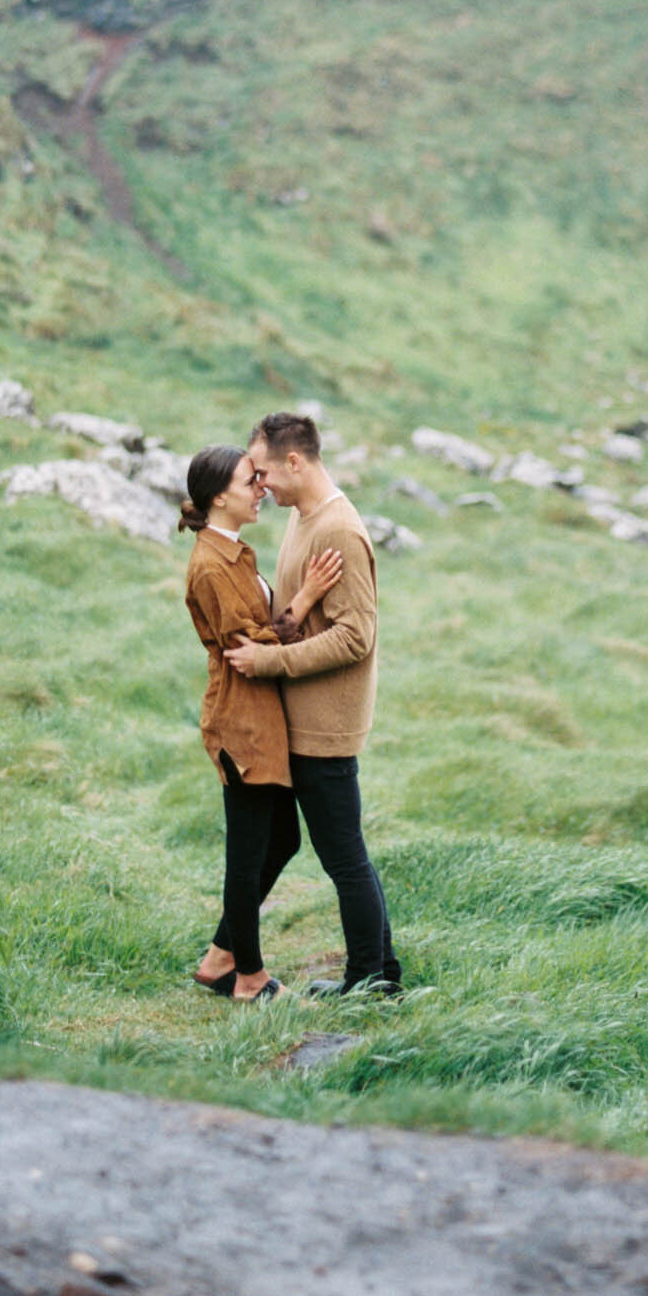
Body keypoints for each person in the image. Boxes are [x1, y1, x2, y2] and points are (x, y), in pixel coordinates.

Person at [225, 411, 401, 995]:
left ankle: (367, 982)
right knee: (344, 856)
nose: (261, 483)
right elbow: (302, 622)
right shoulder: (304, 520)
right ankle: (382, 977)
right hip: (301, 719)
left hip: (326, 724)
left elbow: (356, 637)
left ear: (295, 461)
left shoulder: (338, 530)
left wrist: (270, 661)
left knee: (345, 860)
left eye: (265, 471)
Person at [181, 443, 342, 1003]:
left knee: (281, 840)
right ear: (219, 495)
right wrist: (303, 603)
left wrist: (299, 602)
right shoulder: (209, 563)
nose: (261, 489)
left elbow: (258, 633)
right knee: (249, 852)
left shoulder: (233, 551)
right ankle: (247, 979)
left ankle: (220, 957)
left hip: (260, 715)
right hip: (239, 722)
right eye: (250, 481)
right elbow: (247, 646)